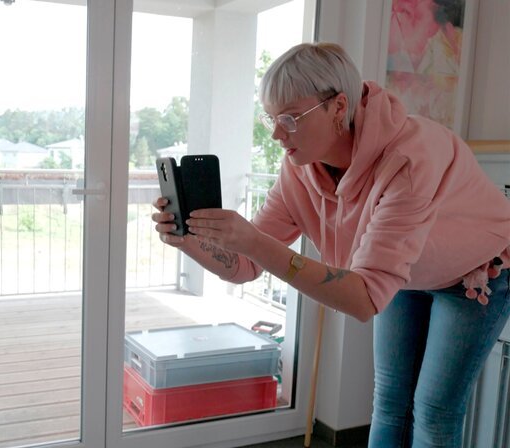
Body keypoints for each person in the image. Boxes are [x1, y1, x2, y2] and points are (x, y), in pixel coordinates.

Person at [151, 42, 510, 447]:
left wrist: (256, 243)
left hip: (476, 272)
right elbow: (244, 264)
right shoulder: (298, 170)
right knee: (390, 401)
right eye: (271, 117)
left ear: (339, 107)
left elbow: (362, 299)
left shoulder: (408, 160)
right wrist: (187, 241)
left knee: (433, 411)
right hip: (407, 273)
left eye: (289, 117)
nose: (275, 133)